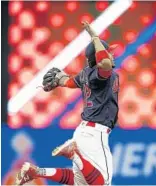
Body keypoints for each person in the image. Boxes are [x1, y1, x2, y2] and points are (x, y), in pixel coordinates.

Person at [15, 21, 119, 186]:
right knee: (103, 183)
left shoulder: (85, 74)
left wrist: (58, 78)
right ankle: (74, 154)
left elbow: (68, 82)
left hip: (84, 132)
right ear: (98, 57)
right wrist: (95, 36)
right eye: (108, 52)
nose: (112, 55)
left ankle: (37, 172)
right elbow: (105, 62)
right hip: (96, 132)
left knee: (80, 182)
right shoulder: (104, 74)